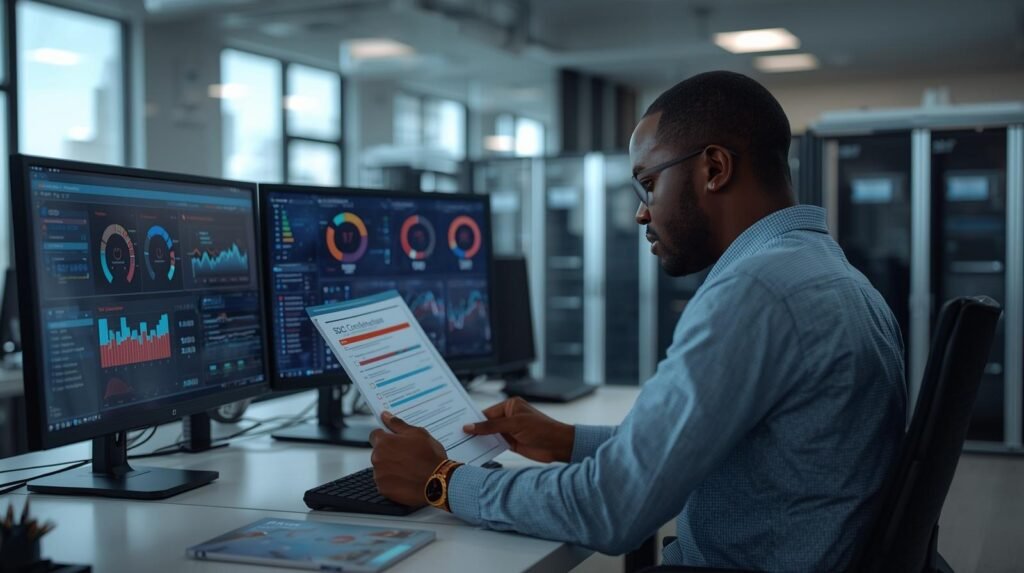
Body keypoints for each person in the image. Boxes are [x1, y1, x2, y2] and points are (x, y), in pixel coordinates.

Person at [368, 70, 907, 571]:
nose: (641, 211)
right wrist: (568, 440)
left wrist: (440, 482)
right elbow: (719, 444)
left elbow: (608, 510)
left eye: (648, 183)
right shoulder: (823, 272)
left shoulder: (757, 292)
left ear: (714, 169)